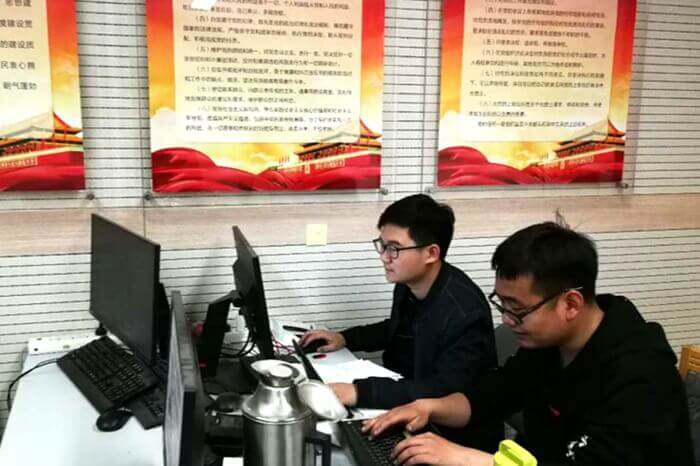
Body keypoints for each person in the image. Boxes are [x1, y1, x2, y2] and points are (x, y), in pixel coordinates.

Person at [364, 221, 694, 466]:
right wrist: (428, 407)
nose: (507, 320)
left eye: (518, 309)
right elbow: (490, 396)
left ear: (571, 304)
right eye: (502, 304)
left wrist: (469, 459)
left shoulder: (641, 376)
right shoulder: (548, 344)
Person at [301, 194, 499, 449]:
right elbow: (398, 329)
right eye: (382, 246)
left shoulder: (464, 311)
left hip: (452, 439)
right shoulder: (411, 283)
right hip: (409, 407)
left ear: (431, 253)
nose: (384, 257)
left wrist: (360, 392)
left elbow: (443, 389)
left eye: (394, 248)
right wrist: (345, 338)